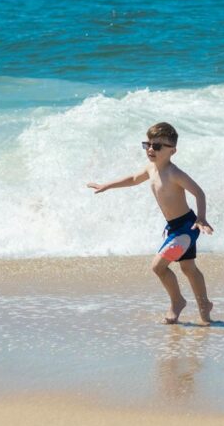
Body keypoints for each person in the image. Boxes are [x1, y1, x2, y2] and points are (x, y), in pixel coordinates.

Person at [87, 122, 215, 325]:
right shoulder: (151, 169)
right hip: (173, 228)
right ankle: (204, 304)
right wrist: (107, 185)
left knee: (158, 266)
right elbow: (132, 179)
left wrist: (202, 217)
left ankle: (177, 302)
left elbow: (199, 192)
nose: (150, 149)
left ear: (172, 151)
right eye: (147, 144)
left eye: (157, 146)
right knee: (188, 268)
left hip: (186, 228)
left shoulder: (174, 173)